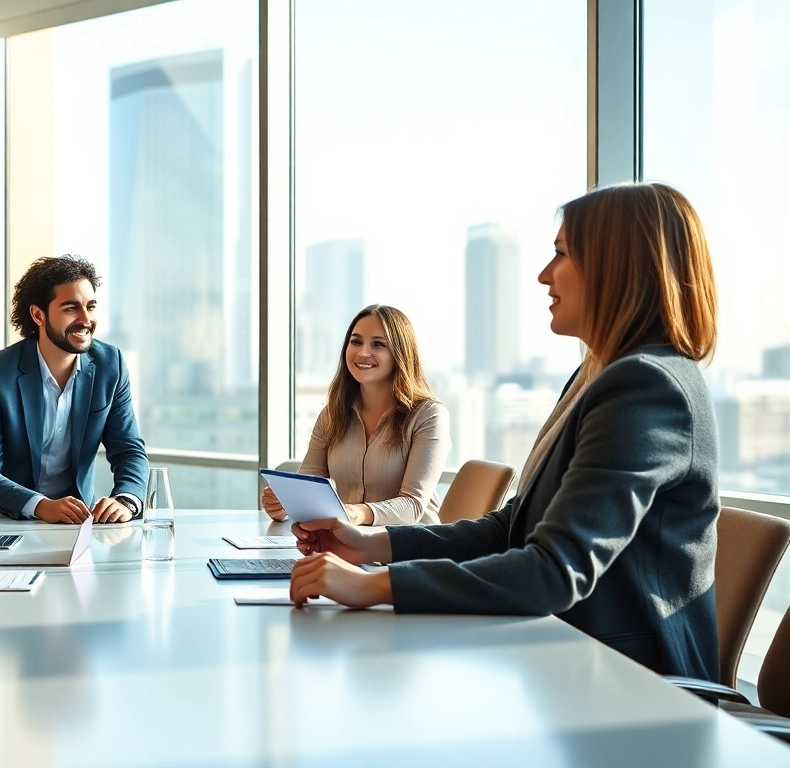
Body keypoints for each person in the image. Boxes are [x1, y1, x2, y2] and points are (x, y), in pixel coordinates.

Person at [289, 182, 720, 681]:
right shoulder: (594, 375)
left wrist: (376, 586)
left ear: (615, 266)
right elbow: (512, 528)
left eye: (561, 254)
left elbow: (553, 571)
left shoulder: (647, 385)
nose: (543, 274)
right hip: (561, 655)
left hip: (634, 686)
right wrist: (370, 545)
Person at [0, 255, 149, 523]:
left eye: (91, 307)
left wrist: (126, 500)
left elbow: (129, 451)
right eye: (71, 308)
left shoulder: (111, 366)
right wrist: (40, 505)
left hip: (73, 522)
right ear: (38, 315)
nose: (86, 319)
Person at [264, 305, 449, 525]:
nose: (362, 352)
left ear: (400, 353)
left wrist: (356, 513)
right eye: (356, 341)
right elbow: (308, 483)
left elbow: (412, 505)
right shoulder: (332, 413)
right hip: (349, 546)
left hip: (411, 551)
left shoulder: (429, 416)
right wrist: (283, 503)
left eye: (378, 344)